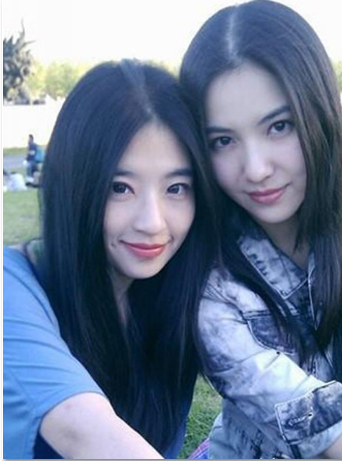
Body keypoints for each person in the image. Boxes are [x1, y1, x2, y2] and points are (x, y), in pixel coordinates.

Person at [180, 1, 342, 458]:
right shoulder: (207, 276)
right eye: (223, 140)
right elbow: (326, 431)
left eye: (279, 126)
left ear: (318, 112)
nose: (256, 169)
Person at [4, 59, 219, 459]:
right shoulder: (10, 287)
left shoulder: (175, 296)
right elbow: (79, 428)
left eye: (176, 188)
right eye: (120, 188)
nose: (152, 223)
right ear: (74, 186)